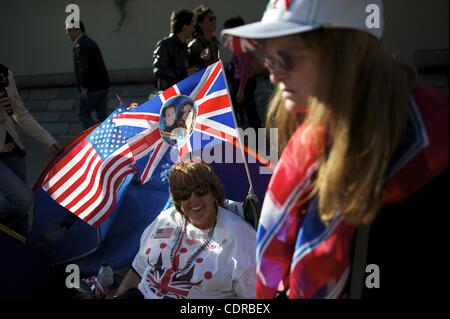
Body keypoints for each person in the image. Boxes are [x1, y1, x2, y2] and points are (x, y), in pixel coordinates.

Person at [222, 0, 448, 298]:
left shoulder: (429, 145)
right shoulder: (305, 143)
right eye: (268, 57)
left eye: (287, 57)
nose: (274, 75)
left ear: (350, 49)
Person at [115, 161, 256, 299]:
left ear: (214, 192)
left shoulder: (241, 238)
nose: (193, 199)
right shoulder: (165, 219)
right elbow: (138, 269)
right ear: (177, 200)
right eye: (184, 193)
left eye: (200, 190)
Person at [0, 63, 61, 236]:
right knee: (22, 199)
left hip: (13, 149)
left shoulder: (5, 73)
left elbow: (20, 113)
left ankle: (22, 254)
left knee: (21, 215)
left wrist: (49, 141)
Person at [66, 21, 110, 129]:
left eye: (68, 31)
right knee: (102, 116)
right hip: (102, 85)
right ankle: (110, 137)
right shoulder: (90, 42)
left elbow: (83, 67)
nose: (67, 34)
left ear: (77, 29)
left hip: (92, 88)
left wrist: (84, 87)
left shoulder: (81, 45)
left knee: (83, 114)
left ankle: (96, 138)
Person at [224, 17, 261, 129]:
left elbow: (246, 68)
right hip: (245, 80)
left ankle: (256, 134)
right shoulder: (243, 43)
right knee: (248, 109)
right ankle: (256, 133)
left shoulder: (240, 46)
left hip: (243, 81)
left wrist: (241, 90)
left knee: (247, 109)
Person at [153, 9, 199, 91]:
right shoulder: (165, 44)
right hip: (170, 97)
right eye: (192, 25)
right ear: (184, 26)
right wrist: (185, 73)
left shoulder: (185, 47)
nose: (193, 29)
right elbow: (159, 70)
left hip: (183, 94)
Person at [188, 5, 220, 70]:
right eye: (210, 19)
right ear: (200, 23)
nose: (214, 21)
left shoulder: (214, 43)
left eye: (214, 18)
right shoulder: (195, 46)